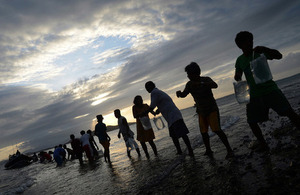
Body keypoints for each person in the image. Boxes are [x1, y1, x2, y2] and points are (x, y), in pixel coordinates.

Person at [234, 31, 300, 151]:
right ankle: (263, 144)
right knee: (252, 122)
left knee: (289, 112)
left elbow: (279, 56)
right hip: (254, 95)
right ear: (240, 46)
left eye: (251, 41)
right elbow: (238, 73)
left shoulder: (260, 53)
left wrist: (265, 49)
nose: (250, 43)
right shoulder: (240, 60)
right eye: (246, 42)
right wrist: (238, 76)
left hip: (271, 90)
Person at [176, 62, 234, 158]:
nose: (188, 76)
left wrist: (201, 84)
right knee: (203, 132)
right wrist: (179, 94)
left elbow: (215, 85)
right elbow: (184, 94)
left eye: (189, 74)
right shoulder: (189, 84)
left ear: (195, 73)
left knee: (217, 130)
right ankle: (208, 150)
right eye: (187, 74)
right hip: (201, 111)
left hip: (212, 109)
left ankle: (229, 149)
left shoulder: (205, 79)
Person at [144, 81, 194, 157]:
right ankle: (179, 151)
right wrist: (158, 110)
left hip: (173, 116)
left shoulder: (154, 92)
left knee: (182, 134)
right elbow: (162, 103)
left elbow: (152, 106)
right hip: (172, 116)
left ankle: (190, 150)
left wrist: (144, 113)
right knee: (173, 136)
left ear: (151, 86)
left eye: (147, 87)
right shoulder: (158, 92)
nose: (147, 89)